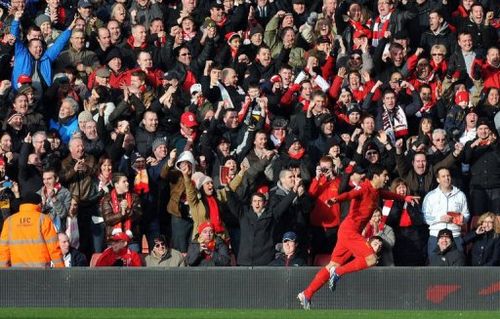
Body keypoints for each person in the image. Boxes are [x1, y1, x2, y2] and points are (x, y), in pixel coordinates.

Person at [297, 164, 419, 310]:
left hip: (348, 231)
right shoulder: (363, 188)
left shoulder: (377, 191)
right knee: (372, 259)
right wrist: (335, 200)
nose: (387, 178)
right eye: (385, 175)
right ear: (376, 176)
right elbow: (349, 195)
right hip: (349, 231)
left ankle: (307, 293)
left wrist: (405, 197)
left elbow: (388, 194)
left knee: (332, 264)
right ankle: (338, 273)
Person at [0, 193, 64, 268]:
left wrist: (4, 273)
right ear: (39, 204)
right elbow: (54, 248)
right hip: (41, 272)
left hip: (17, 273)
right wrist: (61, 271)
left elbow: (3, 251)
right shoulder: (43, 219)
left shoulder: (9, 221)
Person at [422, 167, 470, 256]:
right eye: (443, 176)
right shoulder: (430, 196)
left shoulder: (460, 195)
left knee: (457, 267)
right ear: (438, 179)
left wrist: (462, 219)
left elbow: (466, 214)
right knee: (435, 268)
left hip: (455, 236)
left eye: (448, 176)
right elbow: (424, 217)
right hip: (436, 236)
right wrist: (440, 218)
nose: (446, 178)